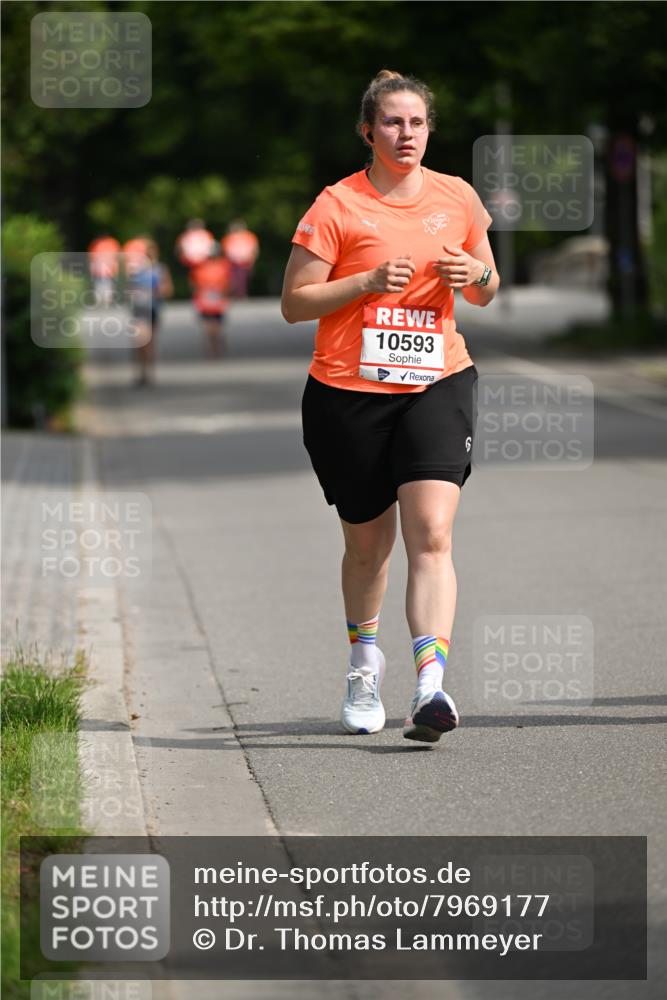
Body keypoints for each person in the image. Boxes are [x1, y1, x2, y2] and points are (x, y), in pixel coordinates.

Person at [281, 70, 499, 743]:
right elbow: (294, 303)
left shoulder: (455, 197)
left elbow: (487, 287)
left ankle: (431, 686)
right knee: (367, 548)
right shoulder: (336, 205)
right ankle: (362, 663)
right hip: (347, 392)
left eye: (416, 123)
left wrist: (476, 276)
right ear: (367, 131)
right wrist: (367, 281)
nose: (405, 135)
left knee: (431, 532)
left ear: (429, 130)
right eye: (392, 123)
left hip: (437, 380)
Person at [128, 238, 173, 387]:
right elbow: (129, 289)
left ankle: (149, 373)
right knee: (139, 342)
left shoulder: (160, 269)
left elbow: (168, 290)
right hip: (139, 309)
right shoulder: (137, 270)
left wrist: (157, 291)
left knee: (150, 342)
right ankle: (141, 372)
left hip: (153, 309)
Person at [189, 245, 232, 358]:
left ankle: (215, 348)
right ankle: (213, 349)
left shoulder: (222, 266)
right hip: (206, 300)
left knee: (214, 326)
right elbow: (195, 283)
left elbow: (227, 283)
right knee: (210, 327)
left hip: (216, 300)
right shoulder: (202, 267)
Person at [221, 219, 259, 298]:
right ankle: (234, 294)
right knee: (233, 279)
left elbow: (254, 249)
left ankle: (240, 294)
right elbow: (225, 250)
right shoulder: (229, 237)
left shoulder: (248, 236)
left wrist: (252, 259)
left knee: (242, 279)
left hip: (244, 261)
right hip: (232, 262)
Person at [88, 235, 120, 307]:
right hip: (106, 272)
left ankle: (102, 303)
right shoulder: (112, 244)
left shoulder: (98, 244)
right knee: (106, 287)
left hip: (102, 272)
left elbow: (92, 258)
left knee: (102, 287)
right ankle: (105, 303)